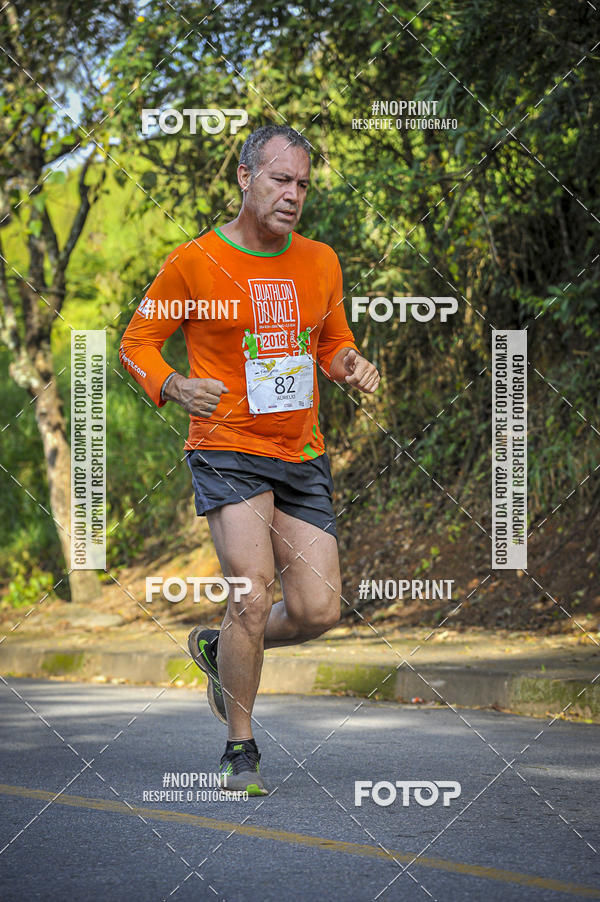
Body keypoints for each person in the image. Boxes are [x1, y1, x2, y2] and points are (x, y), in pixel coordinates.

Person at [119, 124, 380, 796]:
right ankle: (241, 747)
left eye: (302, 184)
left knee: (319, 610)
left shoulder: (321, 260)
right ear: (243, 177)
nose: (292, 195)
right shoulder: (195, 262)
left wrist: (347, 364)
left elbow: (332, 340)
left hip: (300, 451)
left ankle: (218, 649)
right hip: (226, 447)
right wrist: (173, 385)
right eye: (279, 180)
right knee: (252, 591)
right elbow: (136, 344)